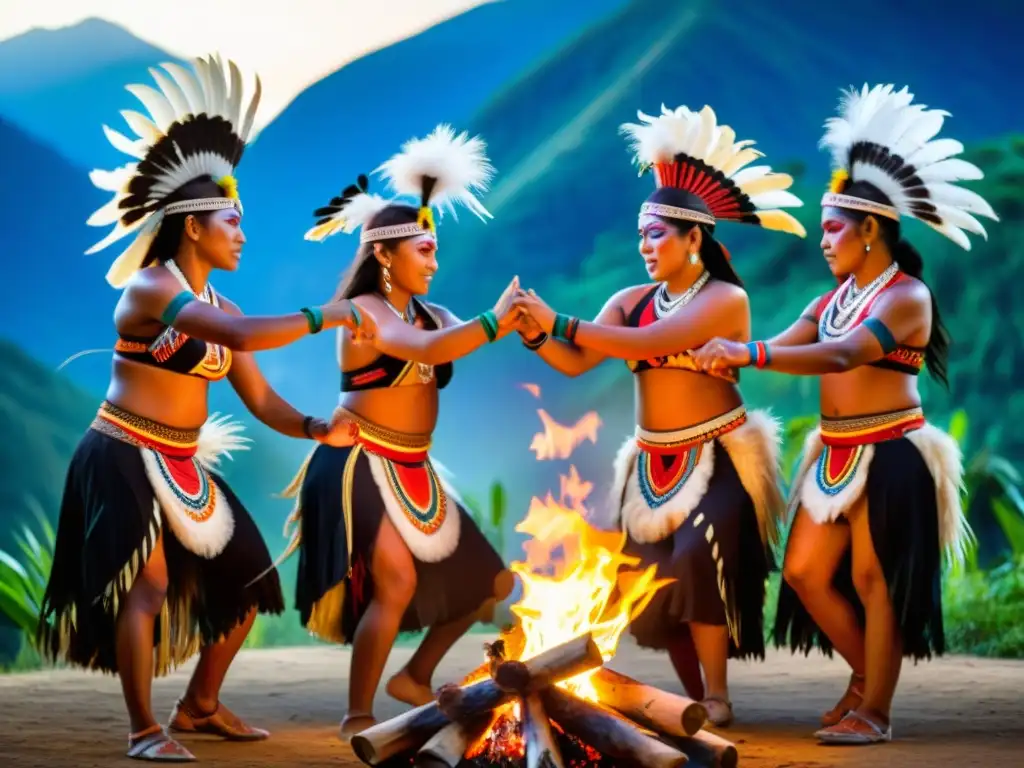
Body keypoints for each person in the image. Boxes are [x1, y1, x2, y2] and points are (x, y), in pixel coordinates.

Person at [36, 54, 368, 763]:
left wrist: (315, 426)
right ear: (192, 227)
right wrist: (331, 313)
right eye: (231, 221)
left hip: (181, 460)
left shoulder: (224, 307)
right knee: (148, 581)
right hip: (121, 453)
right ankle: (142, 728)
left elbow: (258, 397)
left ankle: (199, 706)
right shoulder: (152, 292)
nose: (242, 233)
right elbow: (243, 339)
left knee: (249, 581)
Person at [693, 83, 997, 744]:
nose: (823, 240)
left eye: (833, 227)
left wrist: (746, 352)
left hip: (891, 450)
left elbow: (840, 358)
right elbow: (791, 342)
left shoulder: (907, 298)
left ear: (870, 229)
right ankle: (868, 678)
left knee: (873, 577)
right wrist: (722, 355)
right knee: (802, 572)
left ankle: (877, 713)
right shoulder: (831, 297)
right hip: (834, 451)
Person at [511, 103, 807, 726]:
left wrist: (560, 319)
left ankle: (718, 693)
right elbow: (576, 361)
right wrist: (534, 331)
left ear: (694, 238)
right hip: (649, 461)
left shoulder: (726, 299)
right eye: (641, 235)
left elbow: (646, 345)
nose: (645, 246)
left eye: (657, 235)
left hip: (718, 454)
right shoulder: (629, 299)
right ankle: (694, 692)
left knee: (698, 558)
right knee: (648, 582)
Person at [280, 124, 517, 739]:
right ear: (383, 255)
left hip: (416, 466)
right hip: (358, 462)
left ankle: (414, 677)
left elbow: (455, 333)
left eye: (436, 250)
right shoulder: (364, 316)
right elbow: (433, 346)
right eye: (424, 251)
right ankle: (357, 713)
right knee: (397, 583)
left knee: (490, 582)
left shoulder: (433, 311)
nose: (435, 262)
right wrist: (499, 316)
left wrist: (536, 324)